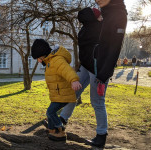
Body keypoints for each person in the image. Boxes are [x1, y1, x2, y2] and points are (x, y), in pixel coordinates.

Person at [59, 0, 127, 148]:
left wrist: (104, 72)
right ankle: (62, 121)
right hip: (88, 66)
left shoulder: (116, 16)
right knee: (75, 94)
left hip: (98, 68)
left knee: (96, 101)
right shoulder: (100, 20)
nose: (96, 1)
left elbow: (114, 47)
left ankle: (101, 136)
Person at [31, 39, 82, 141]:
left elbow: (67, 70)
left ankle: (60, 130)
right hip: (58, 95)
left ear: (42, 54)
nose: (38, 60)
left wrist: (74, 80)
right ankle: (51, 130)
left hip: (64, 95)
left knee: (50, 112)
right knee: (50, 112)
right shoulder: (50, 61)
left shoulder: (57, 60)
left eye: (38, 58)